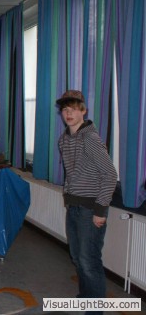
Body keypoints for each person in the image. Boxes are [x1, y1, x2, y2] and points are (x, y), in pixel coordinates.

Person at [56, 90, 117, 304]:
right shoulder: (64, 139)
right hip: (74, 206)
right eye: (65, 109)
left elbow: (110, 175)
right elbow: (72, 173)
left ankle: (95, 307)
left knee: (88, 259)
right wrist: (68, 197)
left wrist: (100, 211)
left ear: (83, 111)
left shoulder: (90, 138)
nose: (69, 113)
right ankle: (86, 297)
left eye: (73, 109)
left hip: (91, 209)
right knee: (77, 257)